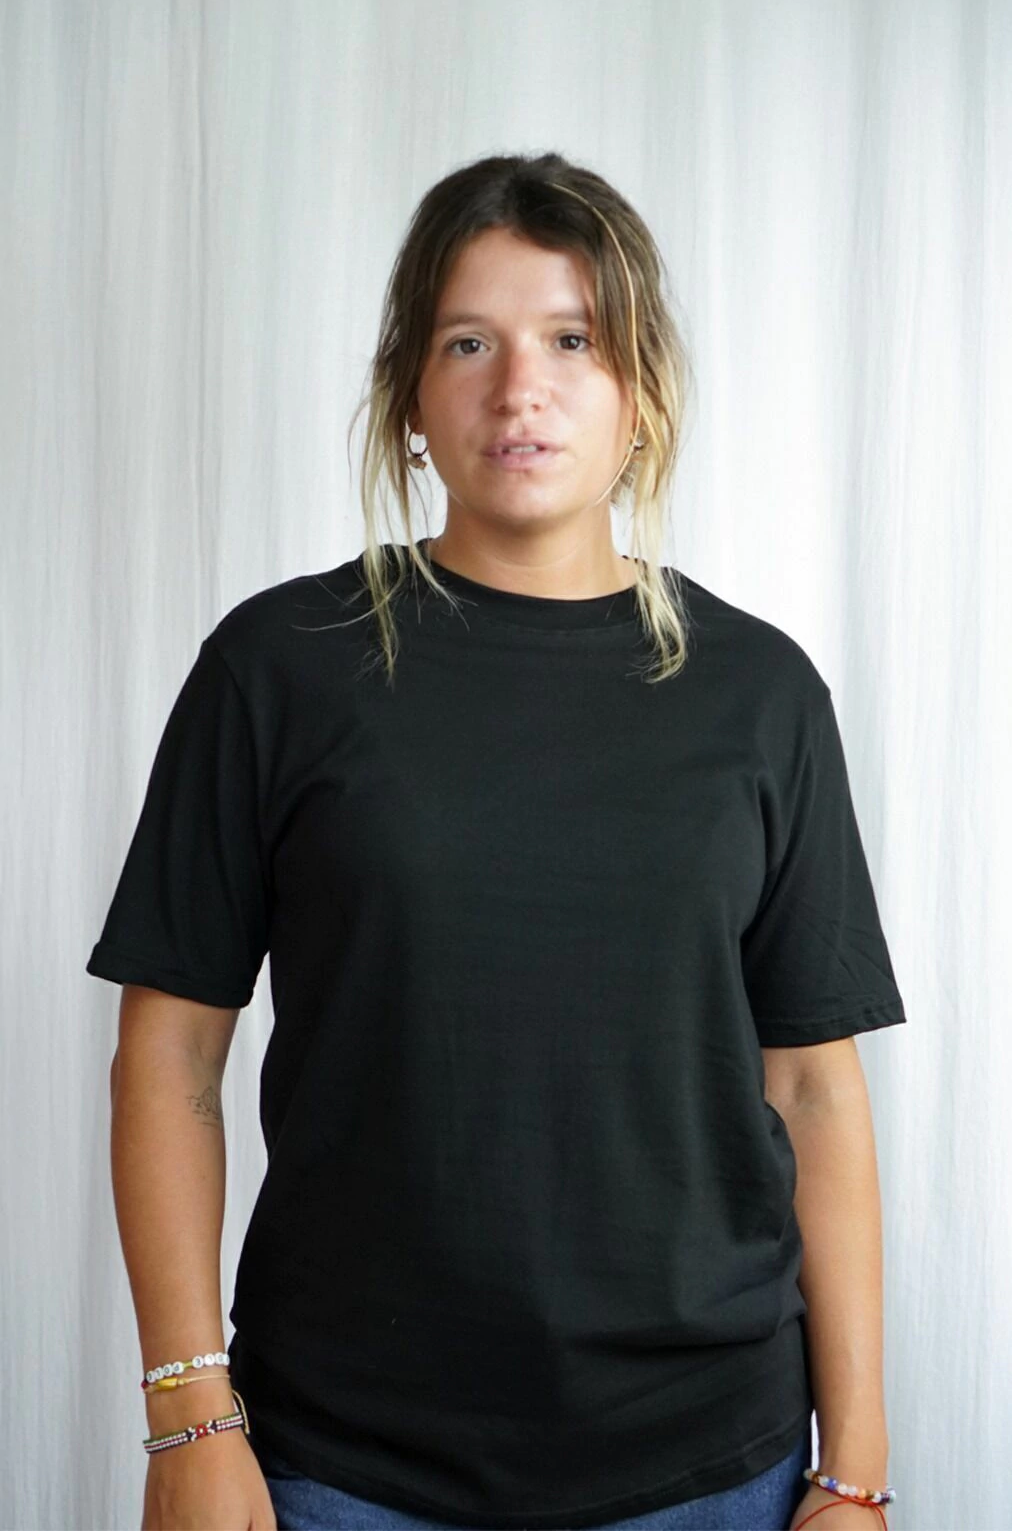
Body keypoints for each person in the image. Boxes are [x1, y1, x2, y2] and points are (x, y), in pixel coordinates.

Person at [89, 152, 905, 1531]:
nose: (521, 387)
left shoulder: (759, 694)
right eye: (470, 342)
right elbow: (170, 1060)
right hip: (342, 1463)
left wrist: (856, 1470)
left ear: (642, 391)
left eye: (574, 341)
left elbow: (816, 1091)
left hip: (709, 1463)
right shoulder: (282, 667)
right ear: (411, 394)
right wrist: (190, 1416)